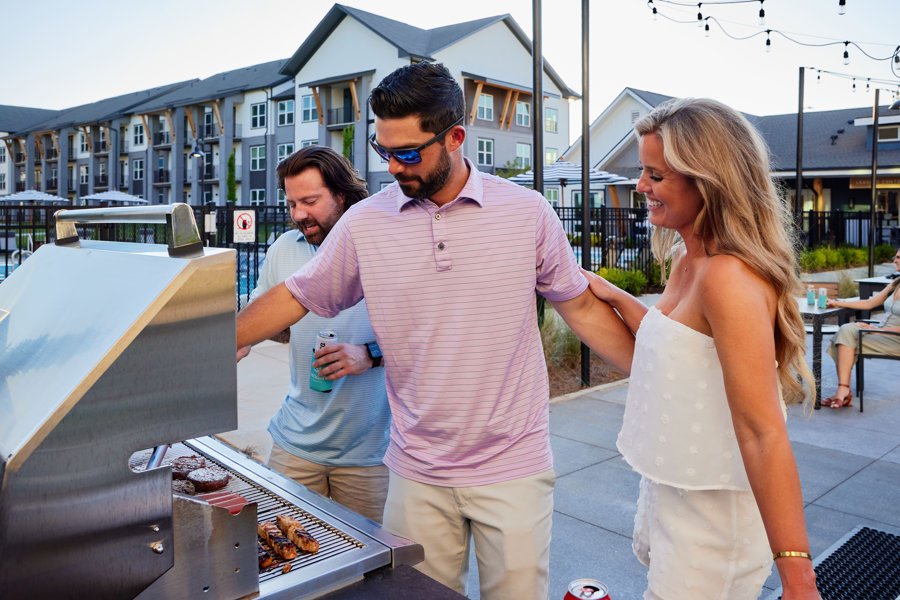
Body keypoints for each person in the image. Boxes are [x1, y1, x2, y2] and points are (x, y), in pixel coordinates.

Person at [236, 62, 635, 600]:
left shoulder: (526, 212)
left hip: (512, 464)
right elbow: (296, 296)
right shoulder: (366, 223)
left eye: (409, 153)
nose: (395, 167)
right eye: (384, 152)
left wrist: (658, 371)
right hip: (415, 468)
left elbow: (581, 308)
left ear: (455, 137)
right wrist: (218, 339)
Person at [582, 98, 821, 599]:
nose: (640, 186)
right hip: (675, 495)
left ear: (706, 181)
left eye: (656, 175)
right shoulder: (689, 262)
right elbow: (680, 356)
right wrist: (615, 296)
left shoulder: (727, 276)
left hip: (715, 522)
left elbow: (762, 432)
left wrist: (799, 581)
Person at [239, 146, 391, 523]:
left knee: (369, 573)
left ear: (342, 194)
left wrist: (369, 354)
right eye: (291, 203)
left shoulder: (382, 248)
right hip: (294, 446)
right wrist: (241, 338)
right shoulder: (283, 249)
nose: (298, 214)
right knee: (281, 553)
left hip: (369, 454)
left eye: (309, 201)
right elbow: (265, 317)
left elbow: (423, 334)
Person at [823, 249, 900, 408]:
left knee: (844, 339)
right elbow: (868, 303)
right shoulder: (896, 283)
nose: (895, 261)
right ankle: (843, 391)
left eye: (898, 258)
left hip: (894, 339)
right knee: (846, 332)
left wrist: (876, 330)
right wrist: (838, 303)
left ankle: (844, 392)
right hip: (880, 333)